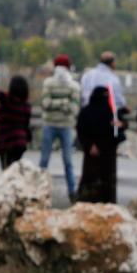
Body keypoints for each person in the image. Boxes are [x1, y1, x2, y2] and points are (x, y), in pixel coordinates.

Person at [39, 54, 81, 202]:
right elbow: (45, 103)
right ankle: (39, 189)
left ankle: (72, 191)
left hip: (64, 126)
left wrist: (56, 102)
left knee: (67, 161)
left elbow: (75, 108)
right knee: (44, 161)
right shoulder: (49, 83)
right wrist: (64, 103)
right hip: (52, 125)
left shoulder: (73, 85)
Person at [76, 87, 119, 203]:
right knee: (106, 187)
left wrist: (90, 146)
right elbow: (114, 134)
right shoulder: (111, 113)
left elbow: (80, 131)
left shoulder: (85, 112)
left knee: (89, 185)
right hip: (107, 156)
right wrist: (102, 146)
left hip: (90, 155)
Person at [0, 70, 32, 169]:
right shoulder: (26, 105)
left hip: (6, 142)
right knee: (15, 171)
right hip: (20, 142)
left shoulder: (7, 99)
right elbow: (25, 123)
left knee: (6, 171)